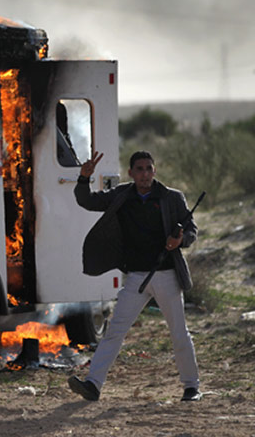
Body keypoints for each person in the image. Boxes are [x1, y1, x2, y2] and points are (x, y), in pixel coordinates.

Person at [67, 150, 201, 402]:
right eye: (139, 169)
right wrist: (83, 178)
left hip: (167, 275)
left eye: (149, 168)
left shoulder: (172, 198)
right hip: (137, 277)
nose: (145, 174)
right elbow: (86, 201)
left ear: (155, 171)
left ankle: (191, 387)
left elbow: (192, 229)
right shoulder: (122, 195)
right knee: (115, 330)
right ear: (130, 173)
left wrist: (181, 239)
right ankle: (93, 385)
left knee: (178, 332)